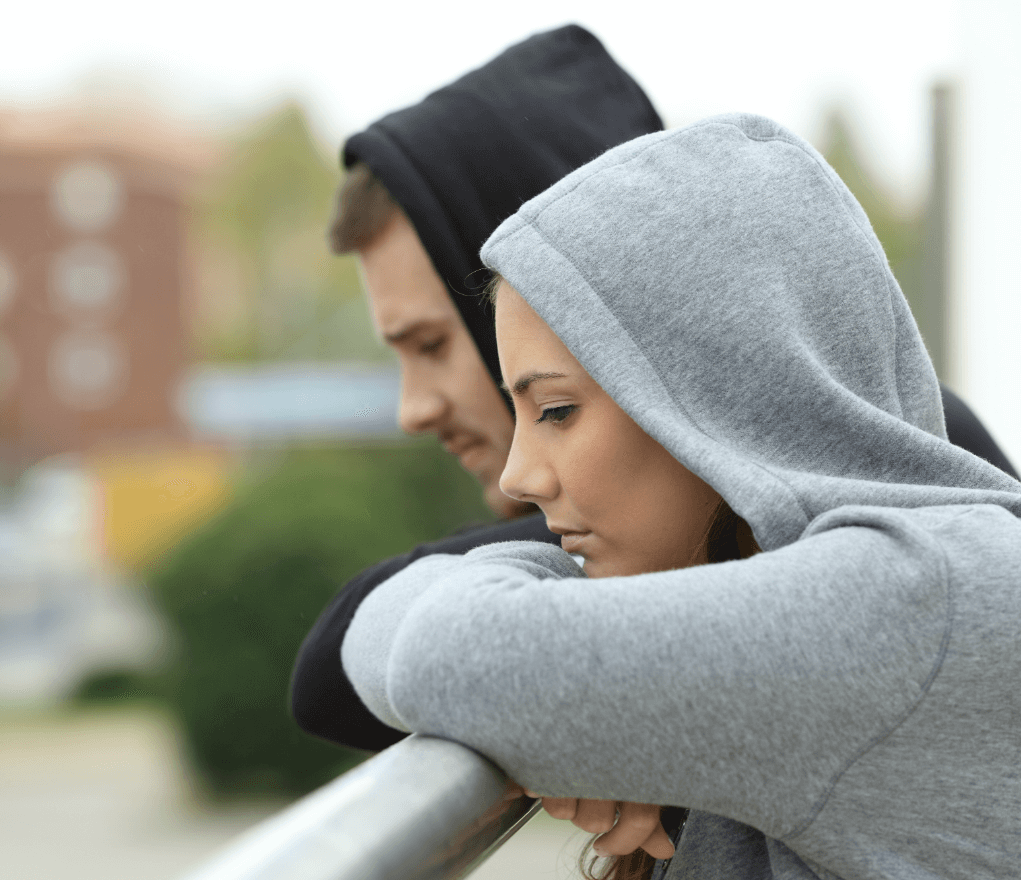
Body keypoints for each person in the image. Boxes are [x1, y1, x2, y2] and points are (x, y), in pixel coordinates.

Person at [291, 26, 1019, 758]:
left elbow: (402, 659)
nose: (413, 410)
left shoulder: (905, 559)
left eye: (432, 345)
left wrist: (561, 674)